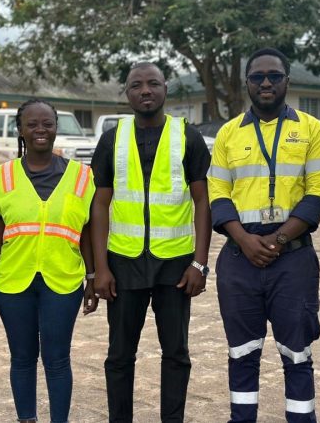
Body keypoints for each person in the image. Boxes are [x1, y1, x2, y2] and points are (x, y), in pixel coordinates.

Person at [208, 47, 320, 423]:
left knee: (297, 353)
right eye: (258, 77)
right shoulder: (229, 133)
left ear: (287, 81)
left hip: (292, 258)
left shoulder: (311, 129)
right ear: (247, 83)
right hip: (239, 258)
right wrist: (244, 240)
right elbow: (218, 193)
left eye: (274, 76)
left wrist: (278, 240)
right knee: (242, 353)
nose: (266, 83)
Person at [90, 62, 212, 423]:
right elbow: (99, 204)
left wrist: (199, 263)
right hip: (123, 264)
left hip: (176, 266)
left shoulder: (187, 136)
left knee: (176, 353)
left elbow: (203, 201)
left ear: (165, 89)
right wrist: (100, 268)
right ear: (127, 93)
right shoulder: (112, 139)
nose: (146, 90)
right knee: (119, 356)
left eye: (153, 83)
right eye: (137, 85)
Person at [0, 99, 98, 423]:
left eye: (47, 123)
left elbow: (87, 232)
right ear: (20, 130)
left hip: (63, 280)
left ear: (56, 127)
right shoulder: (2, 176)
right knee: (22, 358)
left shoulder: (82, 177)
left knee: (57, 359)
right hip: (12, 281)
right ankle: (26, 419)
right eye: (31, 124)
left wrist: (91, 278)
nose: (40, 130)